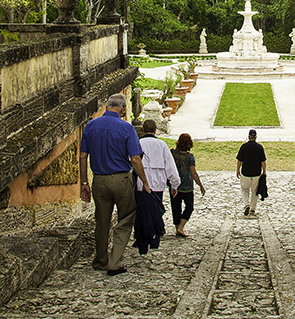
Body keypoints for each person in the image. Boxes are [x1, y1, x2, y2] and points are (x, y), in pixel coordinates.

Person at [79, 93, 152, 276]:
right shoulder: (126, 128)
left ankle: (100, 260)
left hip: (99, 180)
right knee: (126, 218)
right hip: (121, 179)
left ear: (106, 107)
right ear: (122, 109)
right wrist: (144, 181)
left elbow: (82, 156)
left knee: (101, 221)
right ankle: (115, 261)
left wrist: (84, 183)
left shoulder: (91, 126)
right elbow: (135, 158)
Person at [134, 119, 180, 254]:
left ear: (143, 130)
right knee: (156, 212)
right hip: (157, 185)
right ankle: (154, 238)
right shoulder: (161, 145)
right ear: (155, 130)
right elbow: (170, 167)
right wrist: (174, 184)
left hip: (141, 185)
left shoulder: (138, 144)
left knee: (142, 213)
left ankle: (142, 240)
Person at [170, 133, 206, 237]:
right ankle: (180, 227)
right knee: (189, 207)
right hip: (187, 186)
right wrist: (200, 185)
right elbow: (193, 172)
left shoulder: (172, 153)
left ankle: (178, 227)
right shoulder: (190, 157)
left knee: (175, 207)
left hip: (175, 184)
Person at [236, 129, 267, 216]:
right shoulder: (259, 147)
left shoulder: (244, 146)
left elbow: (239, 160)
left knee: (244, 190)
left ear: (249, 136)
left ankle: (246, 205)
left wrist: (237, 169)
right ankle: (253, 209)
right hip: (256, 173)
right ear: (255, 137)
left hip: (245, 172)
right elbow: (263, 161)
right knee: (255, 191)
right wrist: (264, 172)